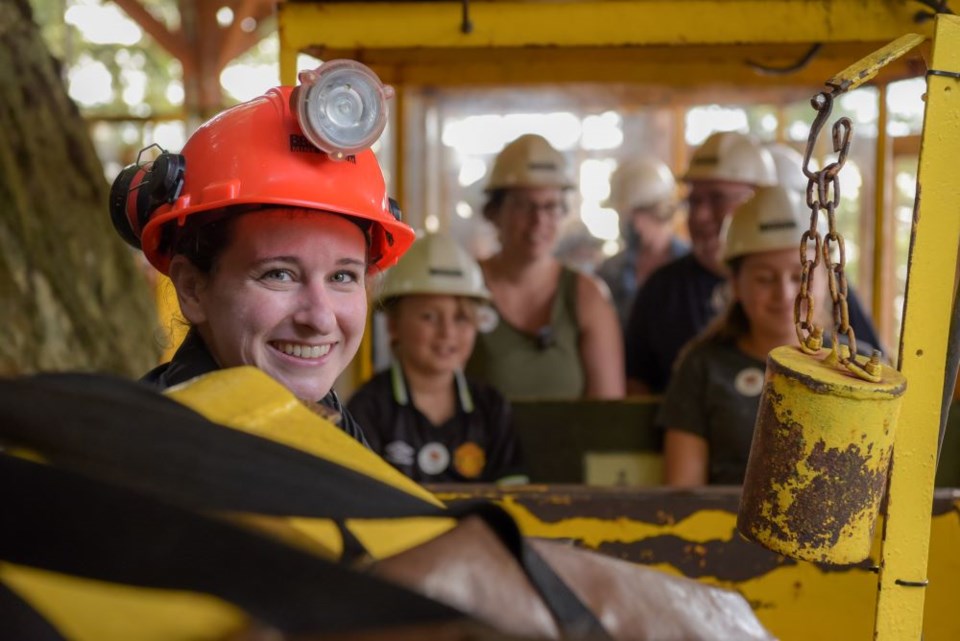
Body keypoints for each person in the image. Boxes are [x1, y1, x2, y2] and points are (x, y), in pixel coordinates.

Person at [108, 62, 415, 445]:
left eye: (342, 276)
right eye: (279, 274)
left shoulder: (328, 427)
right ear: (191, 288)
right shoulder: (150, 456)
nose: (319, 318)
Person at [624, 131, 880, 394]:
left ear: (760, 197)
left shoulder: (820, 286)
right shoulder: (662, 290)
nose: (700, 215)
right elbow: (636, 386)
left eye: (717, 198)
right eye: (694, 201)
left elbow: (868, 373)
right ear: (736, 284)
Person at [660, 185, 829, 486]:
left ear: (827, 280)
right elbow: (683, 495)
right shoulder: (702, 367)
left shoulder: (854, 367)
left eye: (799, 276)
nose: (785, 293)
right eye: (764, 278)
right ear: (736, 285)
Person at [348, 233, 526, 483]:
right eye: (429, 317)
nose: (447, 333)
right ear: (394, 325)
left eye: (461, 318)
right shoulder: (368, 409)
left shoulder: (491, 407)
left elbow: (513, 497)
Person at [465, 134, 625, 400]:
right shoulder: (465, 288)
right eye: (523, 206)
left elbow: (607, 415)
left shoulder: (587, 297)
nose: (538, 220)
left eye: (550, 207)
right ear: (494, 212)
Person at [596, 156, 689, 328]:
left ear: (662, 209)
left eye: (641, 211)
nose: (634, 224)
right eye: (626, 214)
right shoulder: (609, 272)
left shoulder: (693, 268)